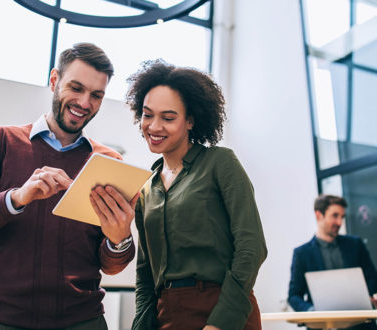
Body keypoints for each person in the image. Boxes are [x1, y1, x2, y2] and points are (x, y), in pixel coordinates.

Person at [0, 43, 138, 330]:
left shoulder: (109, 162)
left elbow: (111, 265)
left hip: (82, 322)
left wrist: (119, 239)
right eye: (76, 88)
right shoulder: (2, 142)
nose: (85, 102)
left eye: (96, 95)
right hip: (0, 321)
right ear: (54, 80)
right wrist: (16, 198)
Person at [104, 59, 268, 330]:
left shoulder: (220, 163)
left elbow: (252, 248)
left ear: (191, 120)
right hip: (167, 314)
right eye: (147, 115)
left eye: (168, 118)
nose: (154, 127)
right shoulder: (147, 187)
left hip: (223, 310)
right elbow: (145, 274)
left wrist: (221, 323)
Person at [287, 194, 377, 330]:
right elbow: (294, 295)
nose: (339, 222)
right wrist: (313, 312)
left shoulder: (355, 244)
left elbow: (373, 279)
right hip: (323, 326)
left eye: (342, 217)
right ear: (319, 215)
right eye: (335, 216)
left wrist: (366, 301)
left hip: (360, 324)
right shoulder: (302, 253)